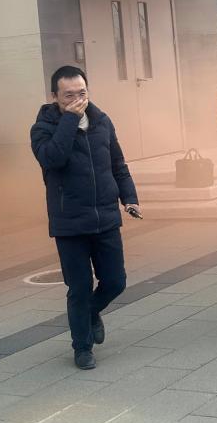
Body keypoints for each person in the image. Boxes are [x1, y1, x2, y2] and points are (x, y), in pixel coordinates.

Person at [30, 65, 141, 369]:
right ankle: (82, 347)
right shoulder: (42, 128)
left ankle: (91, 313)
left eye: (82, 93)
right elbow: (53, 158)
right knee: (79, 289)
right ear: (54, 97)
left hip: (106, 217)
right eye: (69, 95)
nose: (77, 99)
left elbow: (117, 163)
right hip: (69, 223)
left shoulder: (102, 120)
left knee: (115, 282)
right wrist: (69, 119)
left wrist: (129, 198)